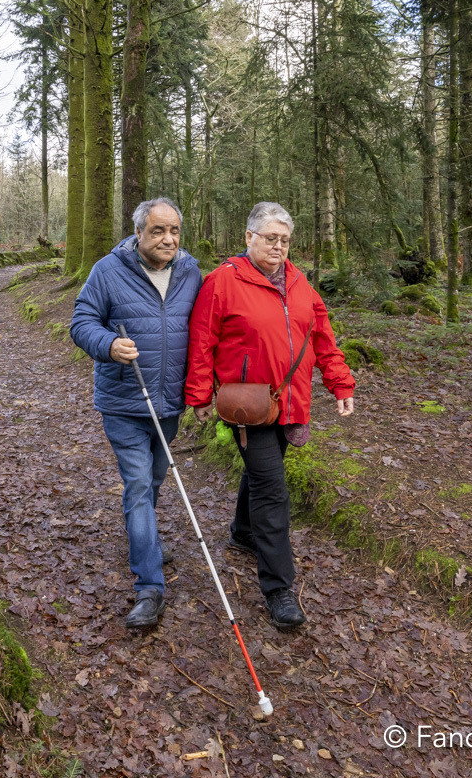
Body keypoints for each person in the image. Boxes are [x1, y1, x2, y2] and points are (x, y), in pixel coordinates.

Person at [186, 201, 355, 630]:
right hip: (247, 405)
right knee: (273, 489)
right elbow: (202, 341)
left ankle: (243, 534)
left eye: (284, 240)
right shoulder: (223, 282)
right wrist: (199, 396)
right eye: (270, 238)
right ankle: (278, 587)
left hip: (290, 402)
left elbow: (322, 339)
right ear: (249, 238)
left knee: (266, 472)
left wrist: (340, 383)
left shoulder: (300, 283)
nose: (278, 247)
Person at [70, 198, 202, 628]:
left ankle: (143, 538)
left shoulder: (190, 271)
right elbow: (82, 321)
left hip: (169, 402)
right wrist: (107, 345)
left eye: (175, 231)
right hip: (124, 402)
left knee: (156, 478)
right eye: (159, 231)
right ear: (139, 232)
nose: (168, 239)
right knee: (140, 484)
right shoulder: (108, 271)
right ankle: (150, 586)